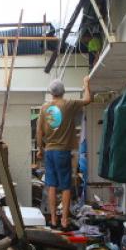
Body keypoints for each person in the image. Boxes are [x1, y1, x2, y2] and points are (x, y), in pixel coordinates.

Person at [36, 75, 92, 230]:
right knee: (66, 187)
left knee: (52, 186)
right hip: (63, 152)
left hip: (49, 152)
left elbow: (39, 131)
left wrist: (40, 150)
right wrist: (86, 83)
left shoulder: (44, 108)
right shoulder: (68, 104)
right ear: (63, 91)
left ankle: (53, 220)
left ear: (51, 92)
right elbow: (88, 99)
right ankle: (64, 221)